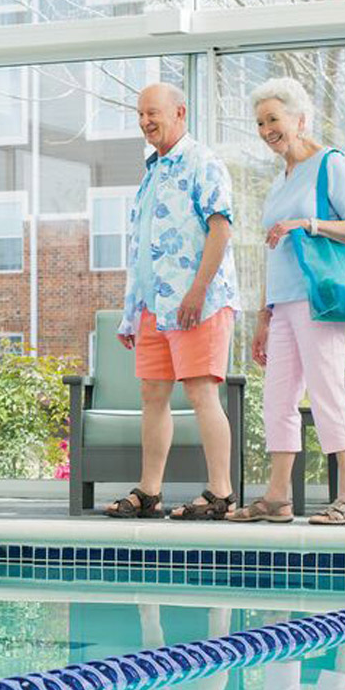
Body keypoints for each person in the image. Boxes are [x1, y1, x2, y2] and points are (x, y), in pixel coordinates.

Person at [227, 77, 345, 525]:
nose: (266, 129)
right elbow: (275, 250)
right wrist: (263, 317)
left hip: (317, 301)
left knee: (327, 392)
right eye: (260, 123)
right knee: (276, 401)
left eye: (273, 119)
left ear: (299, 118)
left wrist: (308, 223)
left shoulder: (331, 164)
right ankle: (277, 498)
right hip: (283, 305)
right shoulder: (280, 180)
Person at [105, 83, 241, 521]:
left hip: (196, 302)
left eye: (153, 113)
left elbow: (220, 228)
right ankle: (149, 491)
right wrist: (132, 314)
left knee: (201, 393)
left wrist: (197, 291)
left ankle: (221, 493)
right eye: (141, 114)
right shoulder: (152, 173)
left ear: (180, 112)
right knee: (152, 394)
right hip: (154, 307)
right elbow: (143, 248)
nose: (146, 121)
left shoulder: (204, 163)